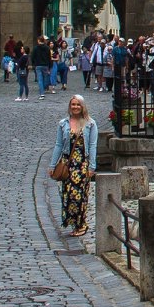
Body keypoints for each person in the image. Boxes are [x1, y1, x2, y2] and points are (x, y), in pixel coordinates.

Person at [51, 93, 98, 238]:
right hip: (67, 164)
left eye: (78, 104)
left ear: (82, 106)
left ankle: (82, 224)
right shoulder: (63, 124)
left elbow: (93, 145)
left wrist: (92, 167)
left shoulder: (90, 124)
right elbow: (58, 145)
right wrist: (52, 165)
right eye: (73, 104)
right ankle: (74, 224)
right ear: (70, 106)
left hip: (82, 164)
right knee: (68, 195)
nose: (75, 107)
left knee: (80, 196)